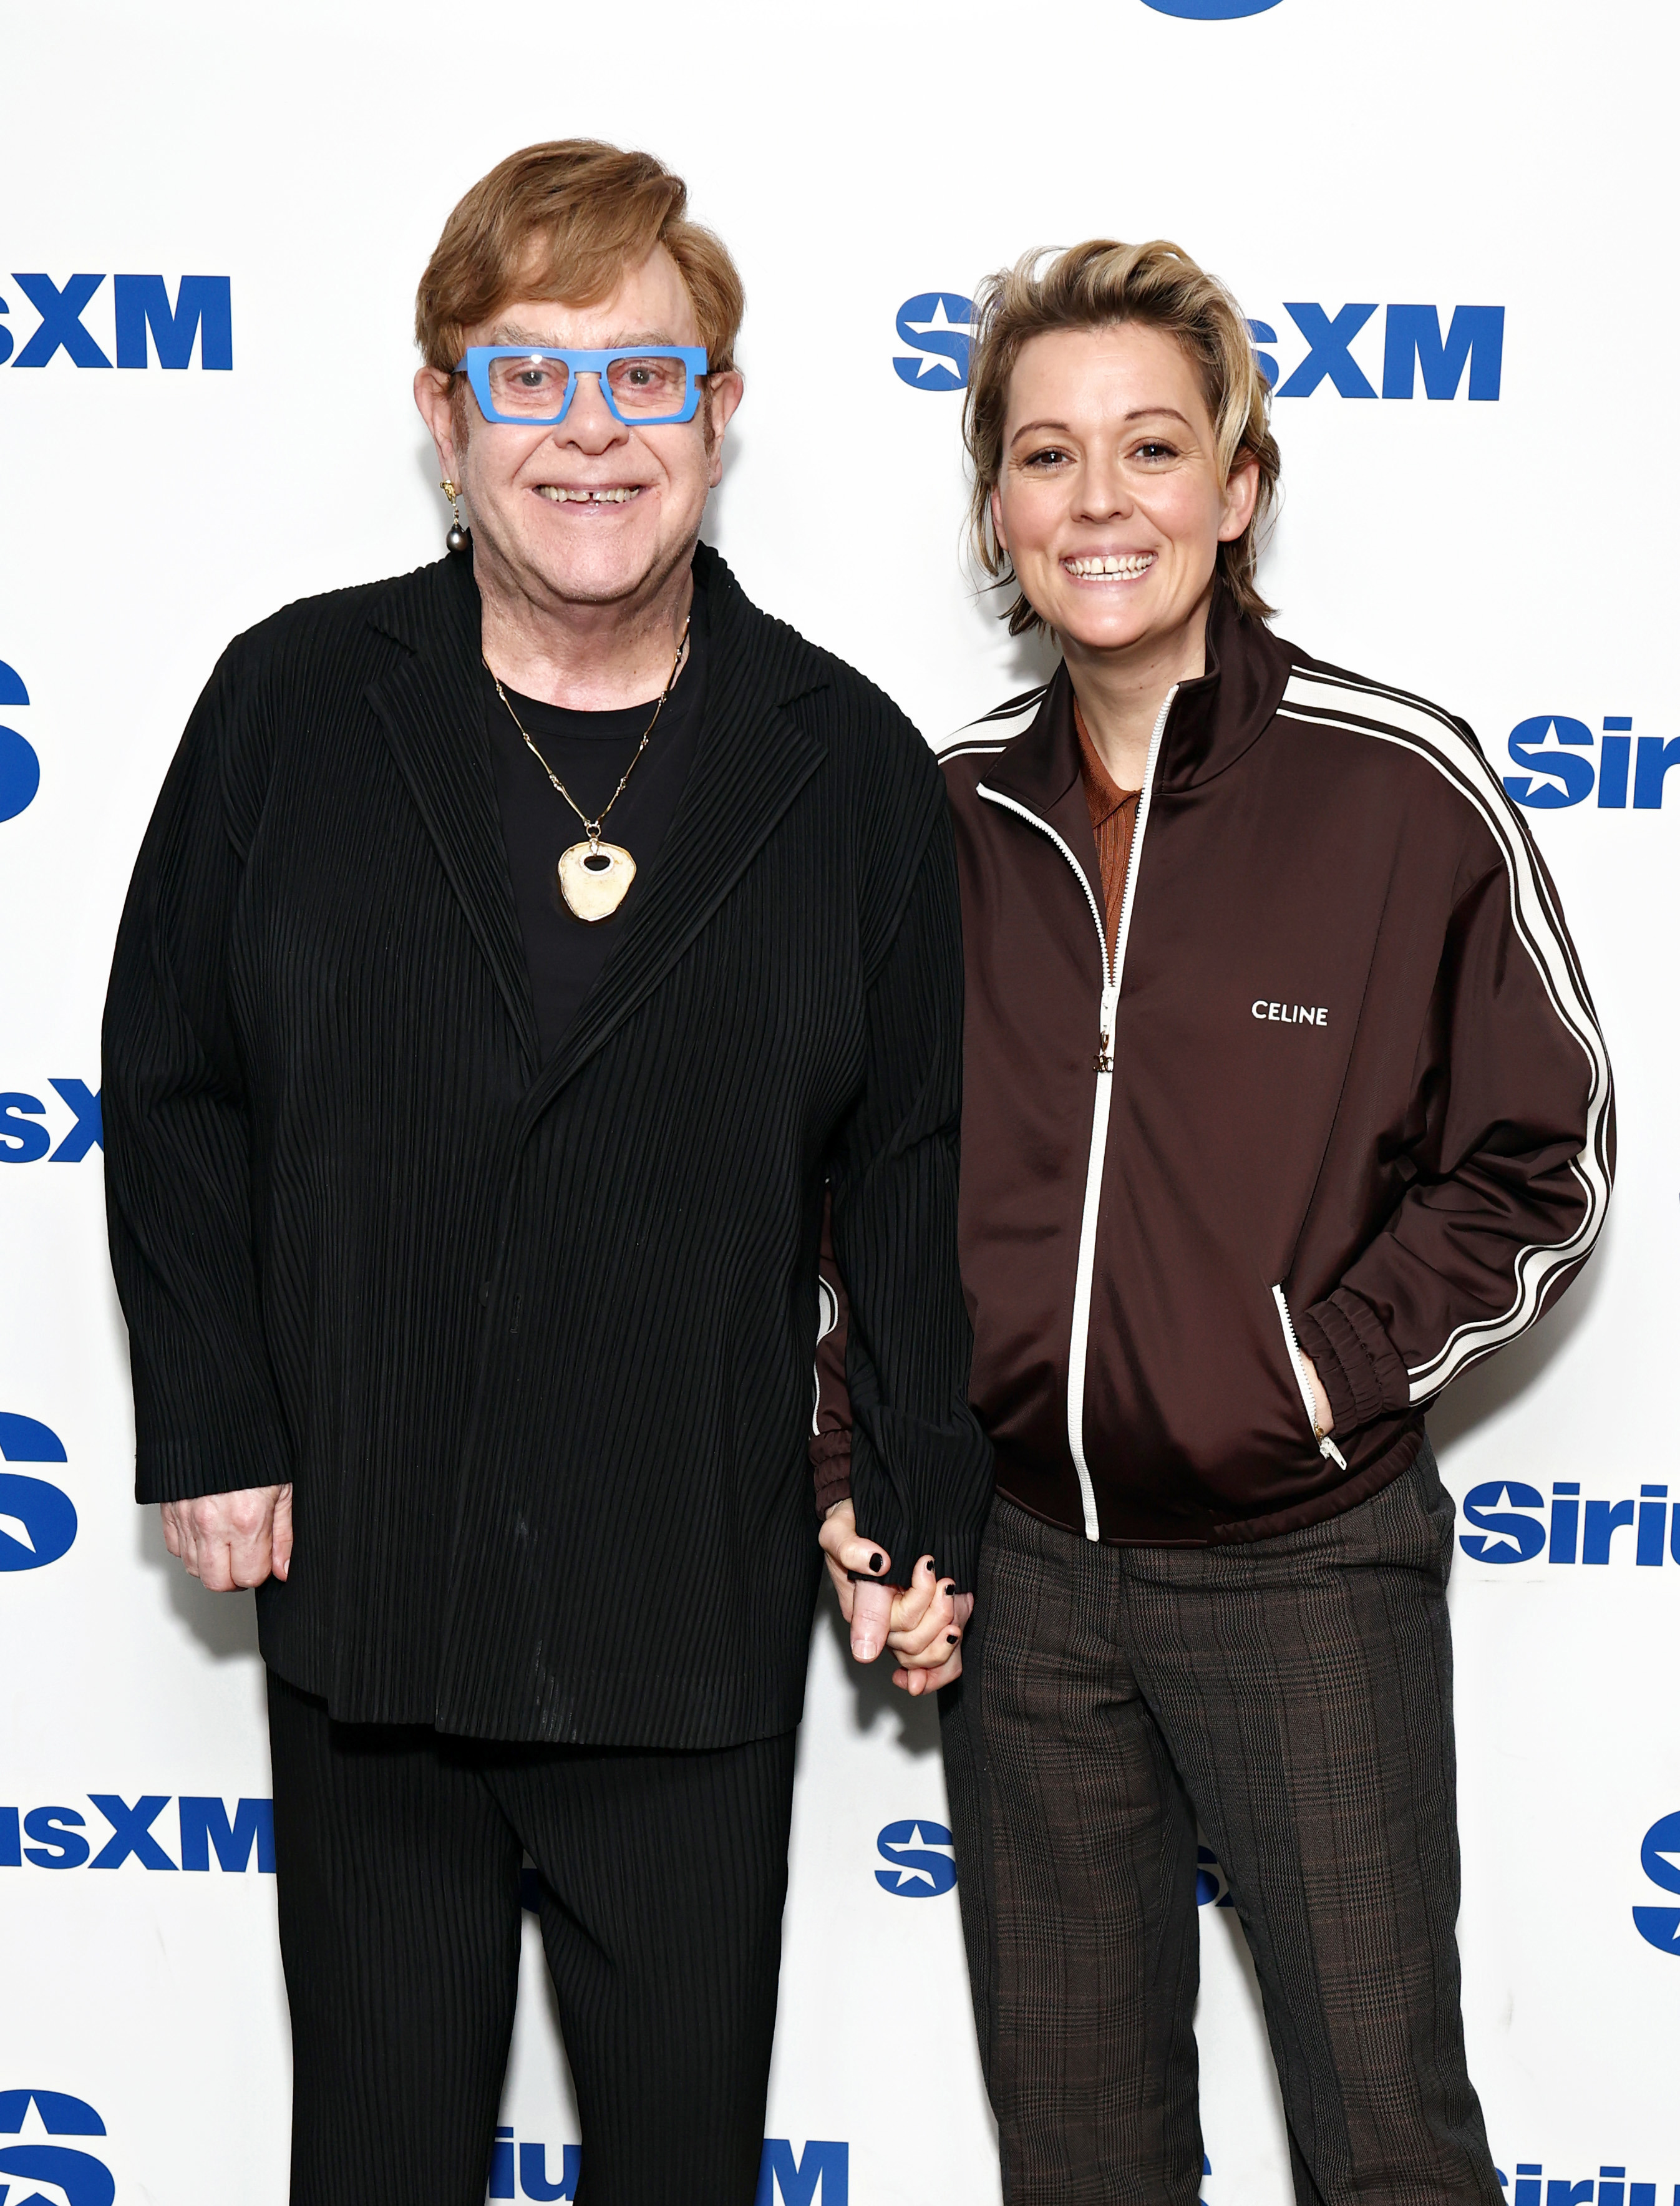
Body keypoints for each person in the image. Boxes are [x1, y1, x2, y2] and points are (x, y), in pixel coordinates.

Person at [102, 139, 991, 2206]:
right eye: (529, 379)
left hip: (688, 1615)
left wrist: (912, 1500)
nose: (590, 435)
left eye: (647, 381)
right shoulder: (296, 701)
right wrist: (217, 1415)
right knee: (381, 2163)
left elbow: (912, 1166)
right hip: (375, 1603)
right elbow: (170, 1080)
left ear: (721, 416)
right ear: (443, 416)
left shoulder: (841, 758)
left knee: (680, 2168)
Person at [815, 238, 1612, 2204]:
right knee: (1079, 2156)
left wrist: (1304, 1379)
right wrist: (866, 1485)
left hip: (1303, 1570)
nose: (1102, 501)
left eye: (1153, 448)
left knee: (1386, 2139)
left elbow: (1544, 1156)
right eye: (1048, 455)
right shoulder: (936, 822)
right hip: (1022, 1585)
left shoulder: (1396, 790)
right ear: (993, 511)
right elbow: (861, 1202)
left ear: (1239, 488)